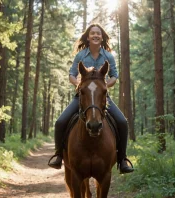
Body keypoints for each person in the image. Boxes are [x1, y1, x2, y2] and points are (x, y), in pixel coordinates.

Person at [48, 23, 134, 174]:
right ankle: (58, 155)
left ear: (102, 38)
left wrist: (104, 86)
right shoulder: (80, 55)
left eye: (98, 33)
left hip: (102, 97)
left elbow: (114, 75)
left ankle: (122, 159)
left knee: (122, 122)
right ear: (87, 37)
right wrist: (79, 85)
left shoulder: (108, 56)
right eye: (92, 33)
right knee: (60, 121)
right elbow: (71, 75)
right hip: (82, 96)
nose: (95, 35)